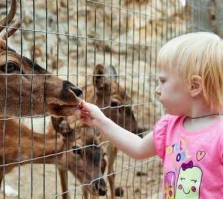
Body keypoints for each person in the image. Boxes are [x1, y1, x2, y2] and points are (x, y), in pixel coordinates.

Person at [79, 32, 223, 199]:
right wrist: (100, 120)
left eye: (163, 81)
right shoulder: (169, 125)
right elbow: (138, 147)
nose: (157, 89)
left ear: (194, 86)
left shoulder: (219, 136)